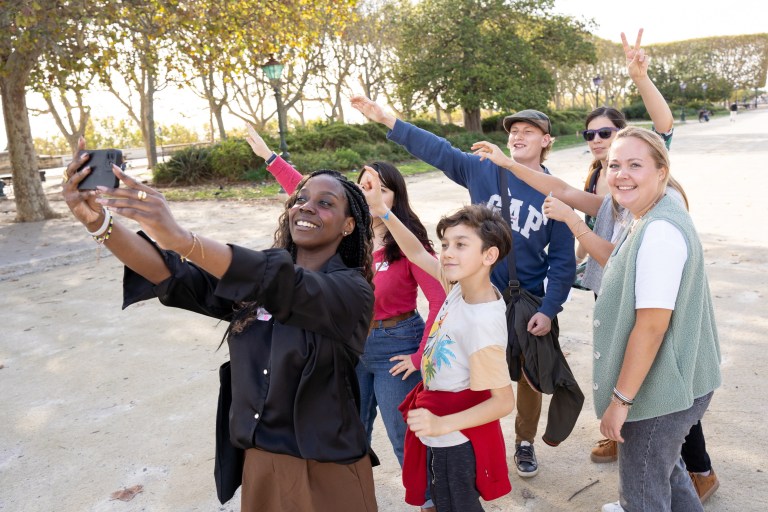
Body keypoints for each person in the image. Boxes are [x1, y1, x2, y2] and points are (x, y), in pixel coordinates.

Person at [61, 138, 379, 511]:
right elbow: (173, 276)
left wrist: (181, 238)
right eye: (301, 198)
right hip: (260, 466)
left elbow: (286, 285)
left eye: (325, 203)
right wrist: (99, 223)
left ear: (348, 225)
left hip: (326, 472)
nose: (306, 206)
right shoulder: (256, 283)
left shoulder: (351, 292)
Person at [351, 95, 576, 480]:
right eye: (514, 131)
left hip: (526, 300)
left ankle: (524, 439)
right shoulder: (483, 170)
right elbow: (438, 150)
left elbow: (562, 260)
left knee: (528, 376)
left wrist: (549, 308)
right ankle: (467, 440)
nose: (518, 136)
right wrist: (389, 121)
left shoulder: (555, 191)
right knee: (465, 373)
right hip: (474, 294)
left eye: (529, 131)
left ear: (546, 141)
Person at [246, 126, 446, 512]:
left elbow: (439, 299)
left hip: (396, 346)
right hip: (348, 346)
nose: (371, 194)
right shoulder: (348, 236)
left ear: (395, 198)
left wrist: (421, 355)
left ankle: (428, 501)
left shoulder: (408, 243)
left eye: (381, 189)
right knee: (347, 429)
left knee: (402, 433)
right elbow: (308, 193)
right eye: (365, 187)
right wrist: (270, 157)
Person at [360, 167, 515, 512]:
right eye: (445, 244)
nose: (447, 253)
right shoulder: (457, 287)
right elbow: (416, 253)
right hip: (441, 427)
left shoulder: (482, 323)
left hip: (456, 440)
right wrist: (382, 210)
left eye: (460, 245)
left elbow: (503, 402)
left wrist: (443, 424)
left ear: (489, 255)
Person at [594, 126, 721, 511]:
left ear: (661, 171)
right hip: (678, 381)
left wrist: (620, 401)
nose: (621, 174)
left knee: (643, 494)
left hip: (661, 391)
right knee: (666, 470)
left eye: (635, 165)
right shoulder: (650, 214)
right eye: (614, 165)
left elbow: (651, 327)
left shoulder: (659, 232)